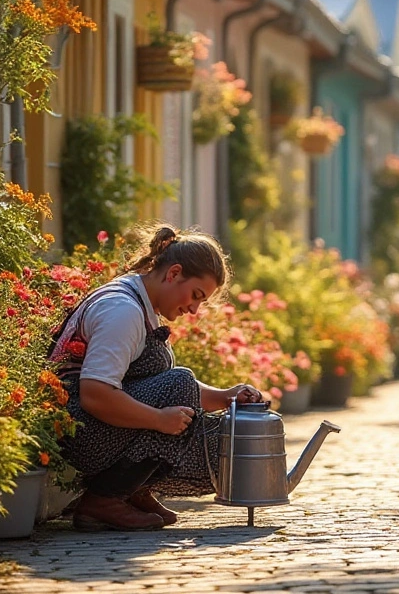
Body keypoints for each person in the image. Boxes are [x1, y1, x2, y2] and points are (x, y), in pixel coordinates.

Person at [48, 224, 264, 531]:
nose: (193, 308)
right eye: (196, 295)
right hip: (78, 429)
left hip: (89, 425)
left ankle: (130, 491)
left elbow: (153, 384)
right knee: (180, 385)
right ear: (174, 273)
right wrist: (159, 419)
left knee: (185, 393)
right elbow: (95, 394)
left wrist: (227, 396)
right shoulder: (122, 311)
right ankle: (103, 499)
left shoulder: (138, 301)